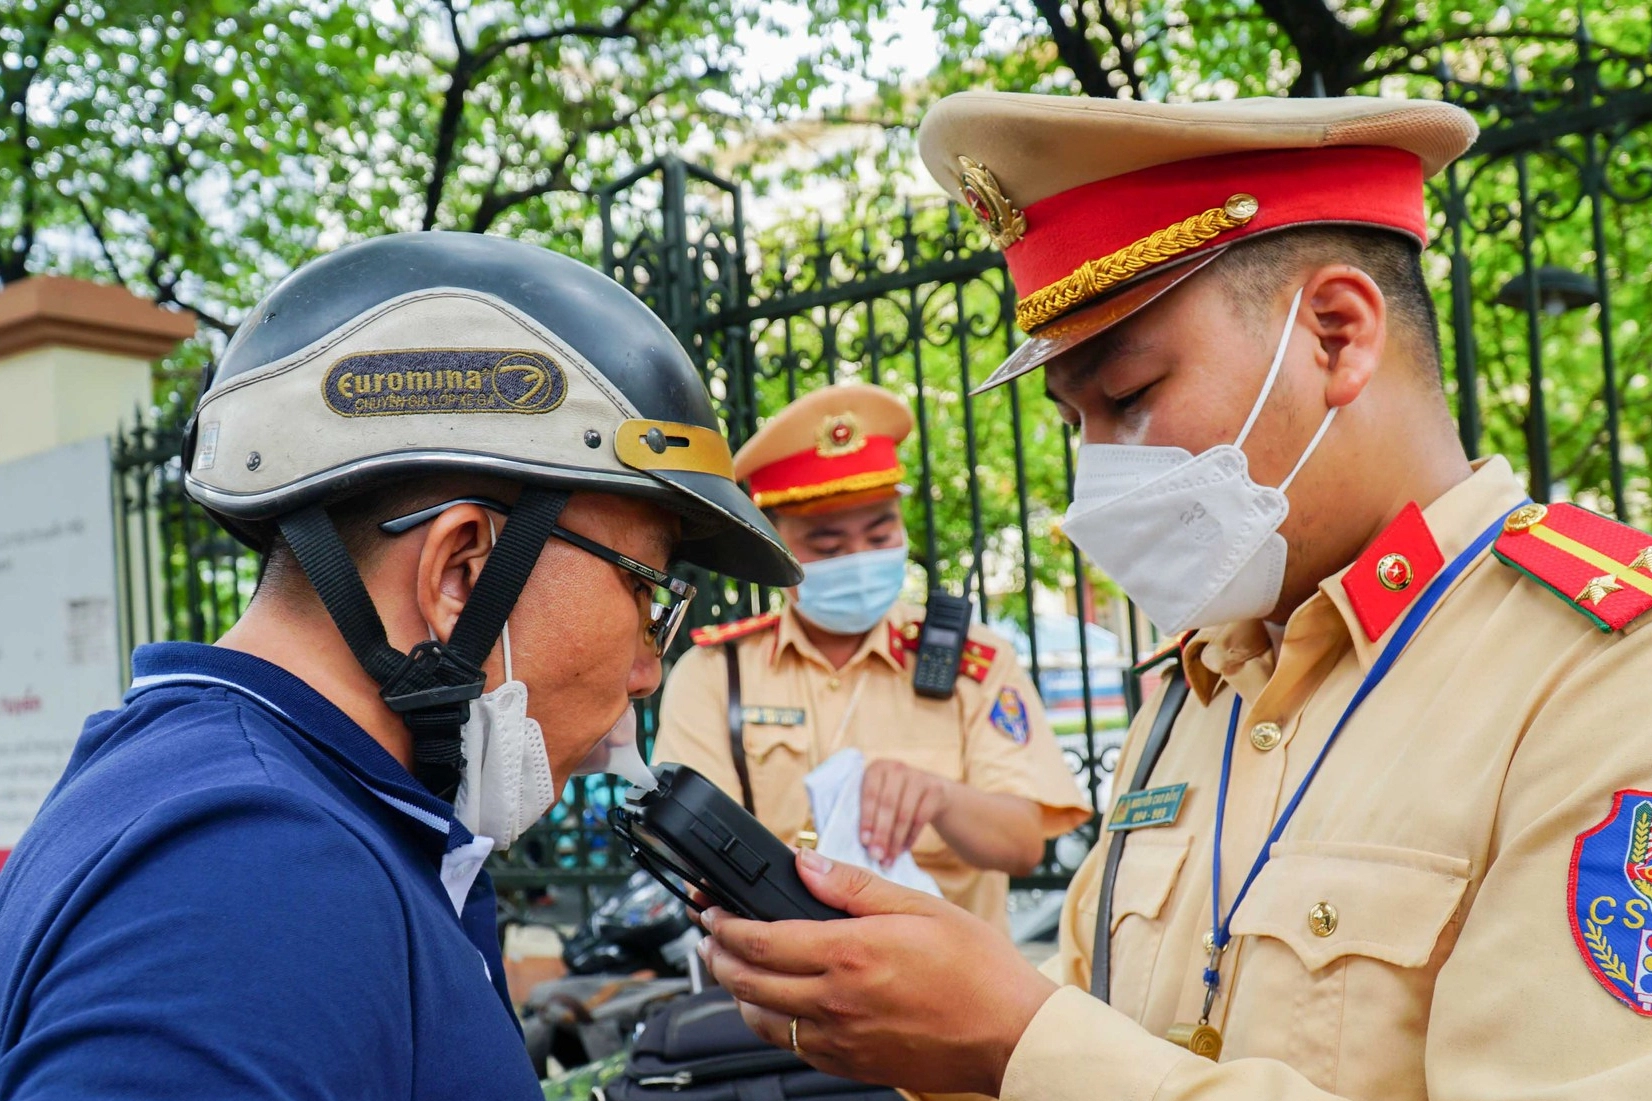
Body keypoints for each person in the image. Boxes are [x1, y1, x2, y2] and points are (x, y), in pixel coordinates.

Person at [696, 93, 1652, 1100]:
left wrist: (1014, 1041)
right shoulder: (1196, 688)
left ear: (1334, 334)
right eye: (1073, 421)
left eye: (1127, 397)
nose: (1091, 479)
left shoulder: (1601, 675)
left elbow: (1055, 1052)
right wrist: (930, 1027)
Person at [0, 232, 801, 1099]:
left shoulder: (238, 799)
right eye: (648, 596)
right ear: (464, 572)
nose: (649, 670)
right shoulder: (263, 876)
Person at [652, 383, 1089, 933]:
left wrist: (938, 798)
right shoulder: (718, 673)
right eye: (828, 546)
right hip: (787, 985)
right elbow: (694, 850)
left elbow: (1023, 845)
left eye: (881, 533)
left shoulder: (974, 663)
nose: (858, 559)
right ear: (776, 545)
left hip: (951, 991)